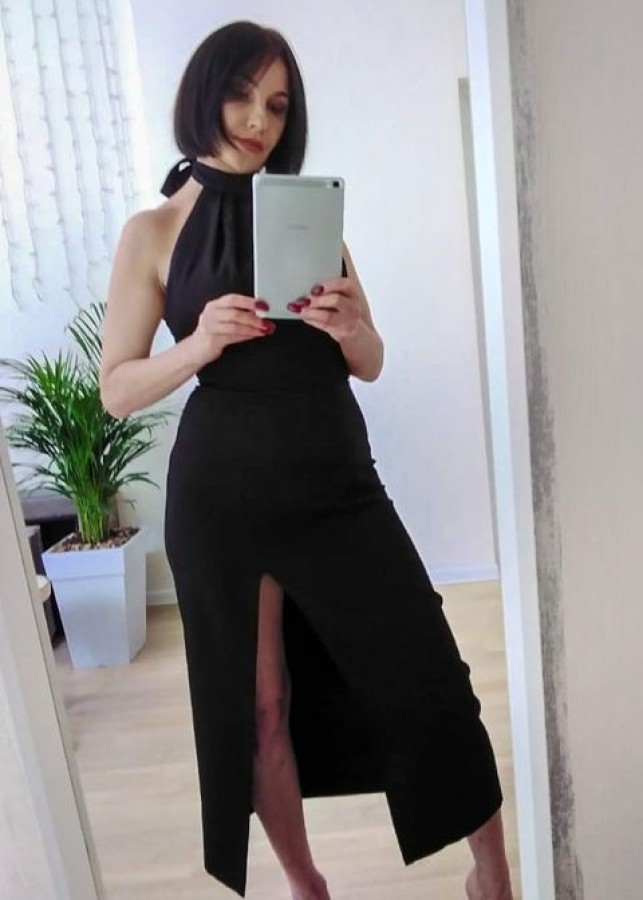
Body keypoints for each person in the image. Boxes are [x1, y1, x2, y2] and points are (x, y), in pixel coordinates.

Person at [100, 20, 514, 900]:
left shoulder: (309, 216)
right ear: (204, 93)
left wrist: (353, 327)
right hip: (222, 503)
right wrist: (198, 344)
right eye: (242, 95)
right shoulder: (152, 231)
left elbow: (369, 362)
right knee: (258, 709)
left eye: (278, 104)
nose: (259, 120)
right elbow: (116, 390)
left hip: (337, 487)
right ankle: (304, 883)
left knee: (430, 675)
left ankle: (491, 870)